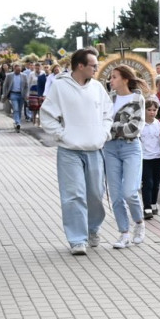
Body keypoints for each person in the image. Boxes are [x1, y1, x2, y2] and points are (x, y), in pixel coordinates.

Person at [40, 48, 112, 255]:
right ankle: (77, 239)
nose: (97, 68)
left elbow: (108, 114)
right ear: (80, 66)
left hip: (94, 149)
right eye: (93, 65)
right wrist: (62, 135)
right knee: (73, 195)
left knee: (95, 195)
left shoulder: (97, 87)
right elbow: (47, 115)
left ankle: (93, 228)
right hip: (69, 151)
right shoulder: (60, 86)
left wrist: (103, 134)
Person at [104, 66, 149, 250]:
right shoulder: (108, 99)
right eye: (110, 77)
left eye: (114, 77)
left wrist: (110, 128)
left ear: (125, 79)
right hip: (110, 148)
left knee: (129, 192)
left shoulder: (138, 99)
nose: (111, 80)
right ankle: (124, 233)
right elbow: (100, 122)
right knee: (115, 195)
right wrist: (113, 128)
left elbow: (134, 129)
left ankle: (139, 222)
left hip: (131, 148)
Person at [139, 99, 160, 221]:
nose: (152, 112)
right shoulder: (139, 124)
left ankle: (153, 203)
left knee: (156, 182)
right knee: (148, 182)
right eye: (149, 110)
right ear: (143, 110)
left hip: (158, 157)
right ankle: (147, 207)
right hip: (144, 158)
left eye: (154, 110)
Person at [2, 64, 28, 132]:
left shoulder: (24, 76)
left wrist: (26, 94)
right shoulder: (9, 76)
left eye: (19, 70)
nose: (18, 71)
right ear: (14, 69)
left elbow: (26, 86)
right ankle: (18, 122)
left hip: (21, 95)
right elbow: (5, 85)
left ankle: (17, 122)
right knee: (15, 109)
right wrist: (5, 94)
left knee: (19, 109)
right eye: (17, 70)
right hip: (13, 94)